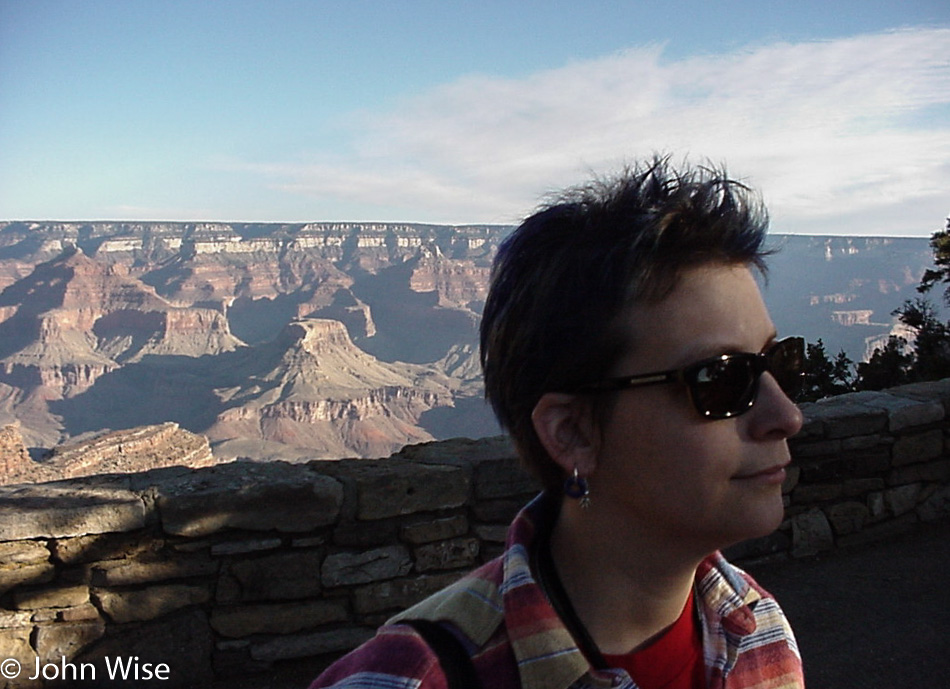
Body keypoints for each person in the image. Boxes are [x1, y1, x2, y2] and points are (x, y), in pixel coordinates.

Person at [309, 157, 806, 689]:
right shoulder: (405, 682)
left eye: (777, 362)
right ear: (572, 433)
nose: (787, 416)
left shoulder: (758, 635)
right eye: (721, 379)